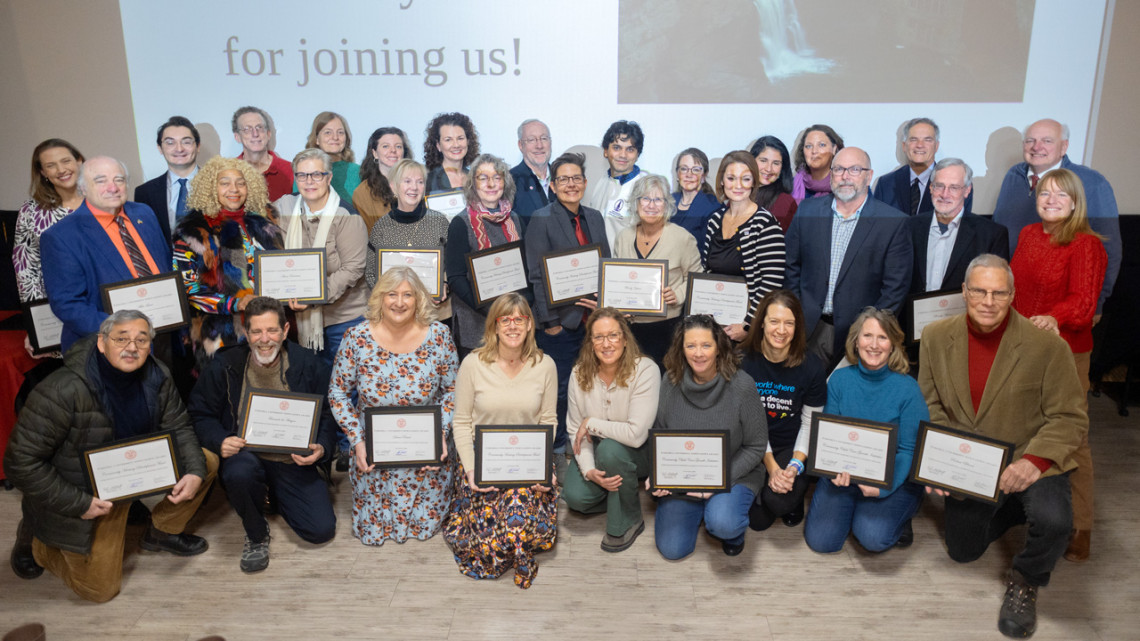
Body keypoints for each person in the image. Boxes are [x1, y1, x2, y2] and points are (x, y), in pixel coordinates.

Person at [919, 254, 1087, 638]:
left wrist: (1033, 462)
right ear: (964, 292)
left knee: (1055, 521)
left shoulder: (1047, 347)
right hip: (971, 459)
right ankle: (1010, 508)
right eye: (979, 290)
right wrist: (942, 461)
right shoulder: (935, 337)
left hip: (1029, 453)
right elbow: (930, 405)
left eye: (999, 292)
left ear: (1013, 295)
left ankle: (1026, 579)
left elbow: (1070, 417)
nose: (988, 301)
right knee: (963, 551)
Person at [5, 311, 218, 602]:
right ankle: (38, 540)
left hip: (133, 473)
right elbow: (20, 463)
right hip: (87, 492)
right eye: (122, 338)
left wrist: (193, 471)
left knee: (206, 462)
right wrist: (79, 503)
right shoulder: (61, 390)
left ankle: (161, 531)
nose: (132, 347)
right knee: (99, 590)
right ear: (101, 343)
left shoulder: (158, 373)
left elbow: (178, 426)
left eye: (141, 340)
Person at [188, 297, 337, 573]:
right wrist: (219, 440)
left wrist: (322, 448)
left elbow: (328, 413)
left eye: (271, 331)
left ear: (284, 331)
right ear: (246, 334)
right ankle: (256, 534)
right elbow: (199, 413)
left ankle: (271, 493)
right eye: (256, 331)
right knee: (239, 474)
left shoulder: (309, 364)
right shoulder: (226, 364)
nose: (264, 339)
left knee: (321, 530)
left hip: (291, 459)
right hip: (245, 456)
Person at [1010, 168, 1106, 563]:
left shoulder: (1086, 244)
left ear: (1074, 201)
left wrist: (1053, 317)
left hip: (1066, 352)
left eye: (1060, 195)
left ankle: (1080, 526)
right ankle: (1024, 505)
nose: (1050, 200)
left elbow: (1083, 306)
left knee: (1072, 438)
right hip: (1022, 347)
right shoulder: (1029, 234)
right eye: (1045, 192)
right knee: (1023, 424)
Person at [328, 267, 458, 544]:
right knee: (373, 531)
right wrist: (357, 440)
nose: (399, 302)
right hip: (374, 454)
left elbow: (454, 391)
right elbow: (338, 393)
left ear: (419, 299)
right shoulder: (356, 337)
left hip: (427, 455)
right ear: (380, 298)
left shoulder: (439, 336)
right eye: (392, 294)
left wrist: (441, 435)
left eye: (408, 294)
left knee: (427, 528)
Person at [443, 293, 558, 588]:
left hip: (527, 459)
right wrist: (469, 469)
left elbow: (548, 421)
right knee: (489, 547)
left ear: (530, 325)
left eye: (519, 319)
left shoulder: (545, 365)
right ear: (494, 326)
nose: (512, 325)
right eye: (505, 319)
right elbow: (462, 422)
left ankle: (518, 539)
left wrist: (544, 466)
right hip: (483, 459)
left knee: (519, 520)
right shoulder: (472, 363)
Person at [803, 308, 927, 553]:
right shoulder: (839, 380)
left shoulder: (908, 388)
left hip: (891, 476)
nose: (874, 344)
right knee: (822, 542)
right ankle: (856, 508)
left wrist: (885, 488)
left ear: (893, 344)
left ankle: (902, 512)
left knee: (872, 538)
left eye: (882, 337)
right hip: (845, 475)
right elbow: (829, 438)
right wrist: (832, 471)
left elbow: (908, 450)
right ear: (856, 341)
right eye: (867, 336)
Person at [650, 314, 766, 559]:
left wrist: (716, 483)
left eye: (706, 345)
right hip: (685, 475)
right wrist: (657, 474)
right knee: (672, 549)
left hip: (734, 472)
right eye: (690, 345)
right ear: (681, 349)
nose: (698, 353)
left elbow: (756, 446)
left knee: (724, 523)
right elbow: (661, 433)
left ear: (719, 348)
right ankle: (703, 509)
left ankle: (729, 524)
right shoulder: (669, 381)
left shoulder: (742, 386)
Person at [784, 146, 912, 365]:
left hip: (859, 335)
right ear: (831, 174)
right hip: (808, 328)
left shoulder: (893, 222)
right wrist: (798, 311)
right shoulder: (807, 210)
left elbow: (895, 288)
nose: (845, 176)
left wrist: (870, 332)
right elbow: (790, 267)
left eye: (854, 170)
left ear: (869, 176)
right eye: (839, 169)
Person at [524, 152, 610, 455]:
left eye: (576, 178)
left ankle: (590, 443)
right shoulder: (542, 218)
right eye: (563, 179)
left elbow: (606, 265)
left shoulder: (595, 217)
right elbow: (536, 274)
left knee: (591, 388)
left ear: (585, 183)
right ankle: (559, 449)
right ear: (554, 184)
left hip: (594, 323)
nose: (570, 184)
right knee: (560, 390)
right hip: (563, 323)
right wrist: (551, 323)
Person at [40, 156, 170, 352]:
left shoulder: (144, 213)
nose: (113, 188)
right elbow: (68, 304)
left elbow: (165, 267)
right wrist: (125, 332)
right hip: (110, 348)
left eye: (119, 180)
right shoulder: (61, 236)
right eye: (101, 181)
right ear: (83, 188)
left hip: (166, 334)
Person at [993, 119, 1120, 316]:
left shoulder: (1093, 183)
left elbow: (1110, 250)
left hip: (1062, 311)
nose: (1037, 147)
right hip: (1013, 301)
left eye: (1047, 141)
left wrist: (1098, 303)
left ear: (1064, 147)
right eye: (1030, 140)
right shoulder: (1013, 175)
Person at [173, 156, 283, 368]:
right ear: (210, 187)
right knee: (226, 396)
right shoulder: (191, 232)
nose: (234, 189)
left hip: (267, 331)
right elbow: (187, 291)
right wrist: (235, 302)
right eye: (225, 183)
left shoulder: (265, 224)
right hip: (220, 336)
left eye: (241, 182)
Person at [563, 309, 659, 552]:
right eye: (598, 337)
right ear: (590, 342)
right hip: (598, 450)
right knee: (575, 498)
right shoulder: (578, 373)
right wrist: (589, 470)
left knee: (610, 448)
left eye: (613, 335)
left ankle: (628, 520)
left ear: (625, 339)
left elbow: (637, 436)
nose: (606, 344)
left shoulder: (646, 370)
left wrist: (592, 423)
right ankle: (624, 491)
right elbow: (577, 430)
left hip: (642, 451)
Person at [740, 290, 827, 531]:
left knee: (779, 503)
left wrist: (793, 467)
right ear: (761, 324)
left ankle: (793, 493)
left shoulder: (812, 365)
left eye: (789, 323)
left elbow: (811, 423)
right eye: (774, 321)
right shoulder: (744, 362)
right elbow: (747, 424)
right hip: (752, 443)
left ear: (797, 327)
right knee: (757, 522)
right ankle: (773, 486)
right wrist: (771, 468)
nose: (781, 330)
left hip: (792, 444)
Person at [274, 149, 368, 362]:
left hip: (343, 319)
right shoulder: (284, 207)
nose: (309, 181)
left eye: (317, 174)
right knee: (311, 383)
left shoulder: (347, 216)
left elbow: (353, 268)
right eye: (302, 175)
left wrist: (313, 297)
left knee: (343, 386)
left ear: (329, 177)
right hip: (299, 318)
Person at [614, 173, 703, 364]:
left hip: (667, 330)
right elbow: (616, 279)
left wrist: (678, 293)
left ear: (667, 204)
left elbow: (697, 278)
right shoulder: (623, 237)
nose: (651, 205)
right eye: (645, 198)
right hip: (629, 329)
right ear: (636, 203)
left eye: (658, 199)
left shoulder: (682, 238)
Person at [445, 154, 528, 356]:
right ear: (473, 184)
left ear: (505, 182)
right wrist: (491, 311)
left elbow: (526, 269)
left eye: (497, 177)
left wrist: (517, 309)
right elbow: (455, 277)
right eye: (483, 178)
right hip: (476, 322)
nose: (491, 184)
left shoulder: (515, 220)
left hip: (513, 321)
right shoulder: (461, 223)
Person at [702, 150, 785, 341]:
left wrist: (748, 325)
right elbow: (706, 270)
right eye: (731, 178)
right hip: (716, 325)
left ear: (754, 182)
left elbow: (771, 283)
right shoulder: (715, 220)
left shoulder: (764, 223)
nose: (738, 185)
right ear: (722, 181)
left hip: (747, 329)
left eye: (745, 179)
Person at [906, 158, 1009, 296]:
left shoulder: (992, 235)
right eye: (939, 186)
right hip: (914, 315)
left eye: (954, 187)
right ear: (931, 188)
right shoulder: (909, 227)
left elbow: (996, 288)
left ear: (967, 191)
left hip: (964, 316)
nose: (944, 194)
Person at [366, 158, 451, 322]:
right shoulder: (381, 227)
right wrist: (390, 298)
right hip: (394, 315)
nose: (414, 187)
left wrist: (445, 284)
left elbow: (452, 264)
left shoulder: (440, 221)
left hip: (434, 314)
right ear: (393, 186)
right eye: (407, 181)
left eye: (420, 182)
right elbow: (371, 273)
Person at [13, 139, 85, 306]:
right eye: (51, 165)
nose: (61, 170)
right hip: (58, 304)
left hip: (106, 299)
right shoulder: (31, 210)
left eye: (66, 161)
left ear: (79, 161)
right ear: (43, 172)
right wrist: (38, 314)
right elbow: (26, 267)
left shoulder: (102, 200)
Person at [873, 118, 974, 217]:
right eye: (913, 139)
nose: (920, 145)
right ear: (904, 146)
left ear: (936, 146)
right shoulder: (885, 184)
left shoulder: (959, 184)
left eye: (927, 140)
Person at [135, 116, 201, 244]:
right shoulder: (144, 193)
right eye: (170, 142)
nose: (179, 149)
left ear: (198, 146)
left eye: (186, 142)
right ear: (160, 148)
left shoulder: (219, 185)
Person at [587, 120, 648, 252]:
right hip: (600, 264)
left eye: (630, 149)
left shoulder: (646, 187)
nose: (623, 155)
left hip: (627, 267)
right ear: (605, 151)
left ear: (638, 155)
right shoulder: (602, 182)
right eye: (616, 147)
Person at [232, 106, 293, 201]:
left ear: (268, 134)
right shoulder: (227, 172)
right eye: (247, 129)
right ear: (237, 137)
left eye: (259, 127)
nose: (255, 134)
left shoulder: (290, 171)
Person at [299, 111, 360, 202]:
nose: (335, 137)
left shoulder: (358, 172)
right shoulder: (303, 172)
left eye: (340, 132)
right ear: (316, 139)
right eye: (328, 132)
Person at [352, 127, 403, 232]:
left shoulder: (419, 185)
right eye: (385, 146)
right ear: (375, 153)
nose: (393, 150)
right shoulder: (363, 192)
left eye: (398, 146)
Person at [671, 147, 720, 253]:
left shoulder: (712, 207)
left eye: (696, 170)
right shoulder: (668, 201)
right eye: (684, 169)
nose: (689, 174)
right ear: (677, 174)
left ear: (704, 175)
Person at [509, 119, 554, 227]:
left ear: (550, 142)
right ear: (520, 145)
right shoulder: (509, 181)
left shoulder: (563, 177)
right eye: (531, 140)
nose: (539, 145)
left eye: (544, 138)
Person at [749, 135, 798, 232]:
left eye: (776, 163)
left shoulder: (784, 201)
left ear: (782, 168)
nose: (768, 169)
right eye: (763, 161)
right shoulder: (738, 192)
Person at [423, 112, 479, 194]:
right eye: (448, 140)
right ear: (438, 145)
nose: (456, 145)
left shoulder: (476, 179)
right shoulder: (428, 180)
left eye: (460, 138)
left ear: (468, 141)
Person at [791, 124, 843, 203]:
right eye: (808, 146)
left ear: (834, 149)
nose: (814, 151)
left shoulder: (846, 185)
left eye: (822, 145)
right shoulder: (790, 186)